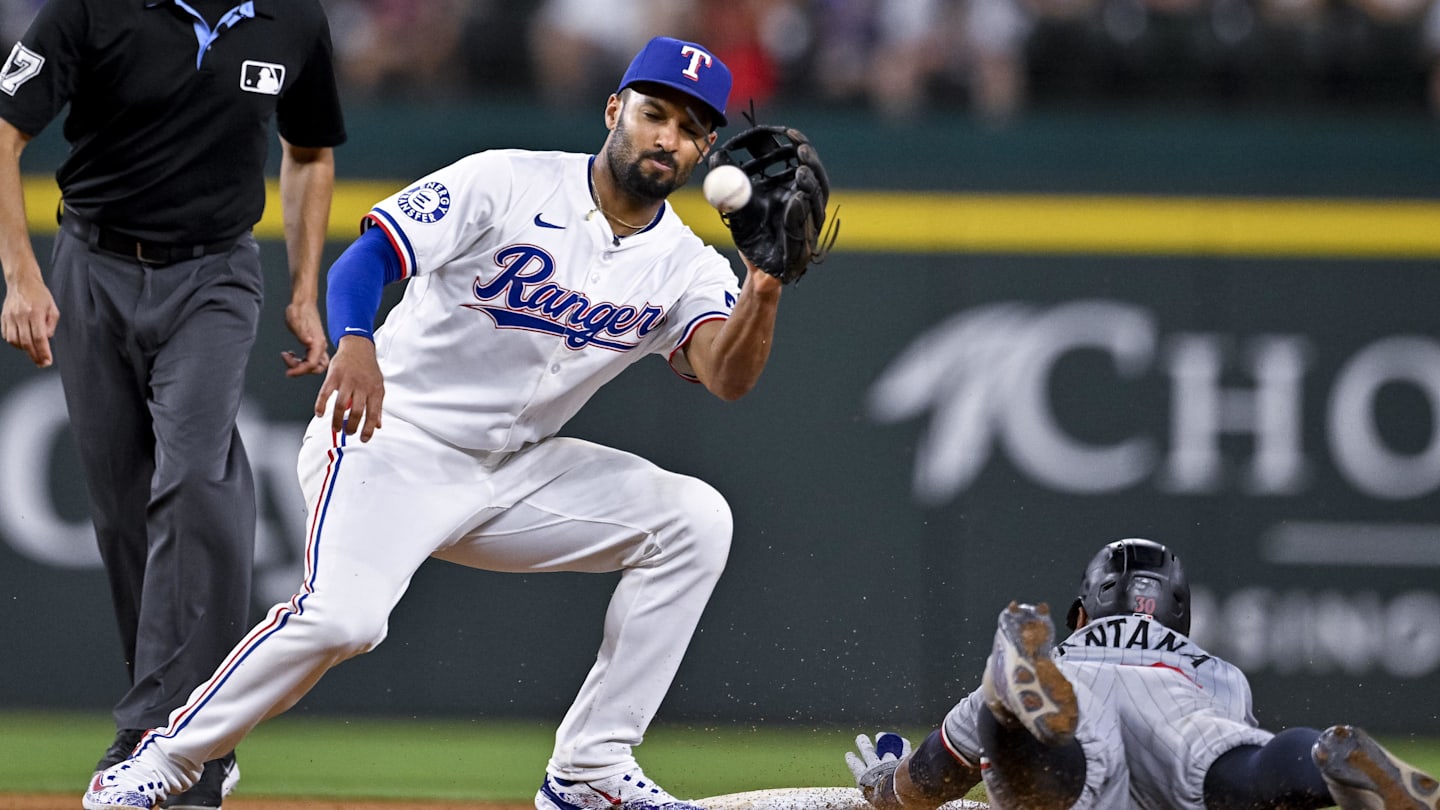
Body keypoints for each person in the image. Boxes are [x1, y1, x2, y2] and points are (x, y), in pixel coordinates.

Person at [84, 34, 828, 810]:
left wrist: (764, 286)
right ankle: (164, 757)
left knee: (696, 520)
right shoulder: (506, 180)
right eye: (654, 114)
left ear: (705, 151)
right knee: (342, 621)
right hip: (390, 440)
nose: (667, 137)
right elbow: (367, 259)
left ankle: (591, 766)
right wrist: (355, 340)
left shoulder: (688, 264)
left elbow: (727, 376)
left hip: (513, 473)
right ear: (615, 110)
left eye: (689, 128)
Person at [0, 0, 345, 806]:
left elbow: (309, 151)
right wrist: (20, 275)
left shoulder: (292, 17)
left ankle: (177, 730)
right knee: (125, 508)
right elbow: (5, 132)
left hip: (214, 274)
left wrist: (304, 290)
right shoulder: (92, 7)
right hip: (92, 262)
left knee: (194, 479)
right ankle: (171, 726)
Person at [845, 538, 1440, 810]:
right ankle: (1323, 762)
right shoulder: (1222, 675)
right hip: (1180, 704)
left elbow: (933, 779)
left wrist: (887, 787)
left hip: (1070, 692)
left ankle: (1014, 713)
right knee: (1245, 772)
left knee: (1055, 782)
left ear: (1083, 613)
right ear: (1180, 619)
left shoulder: (1066, 655)